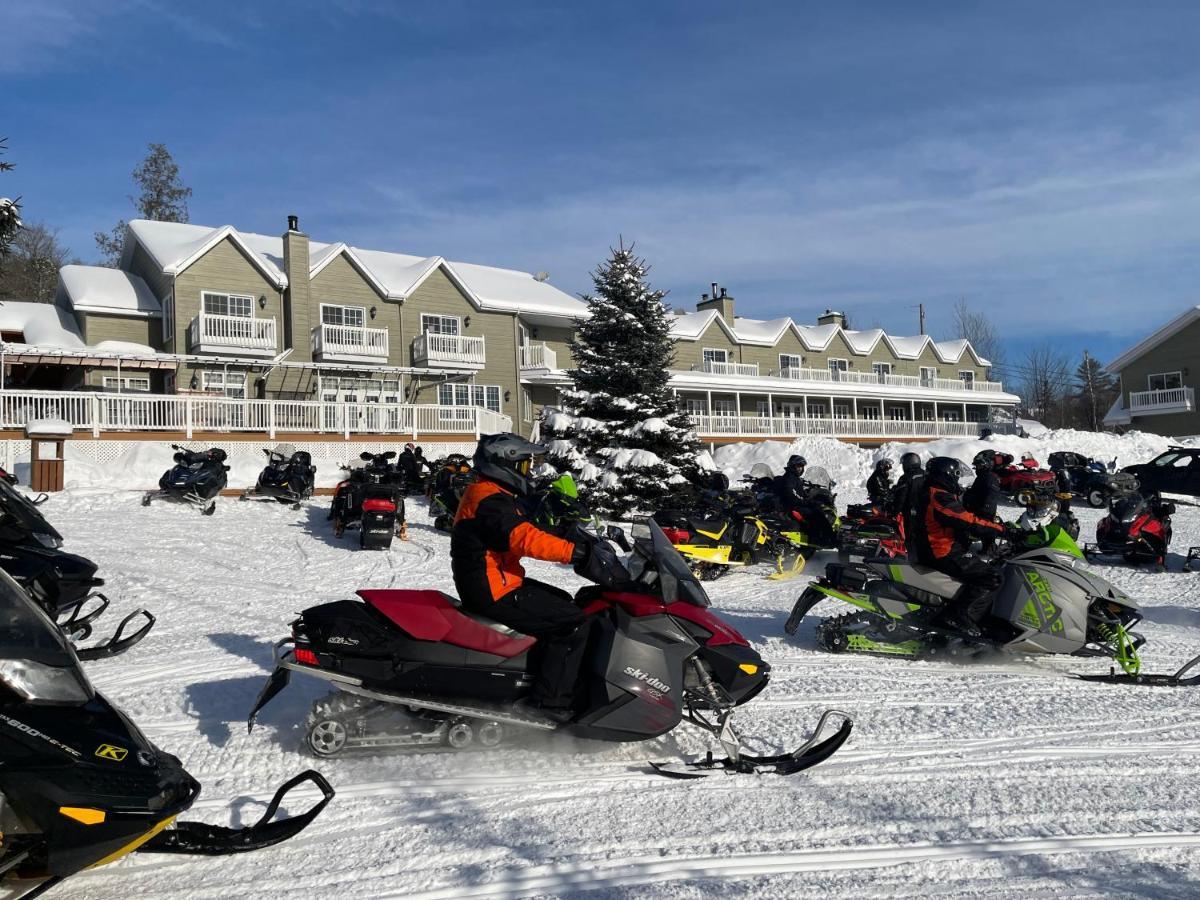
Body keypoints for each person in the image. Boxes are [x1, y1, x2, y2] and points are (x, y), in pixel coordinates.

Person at [452, 433, 620, 722]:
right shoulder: (489, 500)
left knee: (567, 601)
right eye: (525, 466)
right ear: (505, 464)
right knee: (572, 624)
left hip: (498, 582)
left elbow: (524, 527)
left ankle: (543, 676)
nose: (528, 472)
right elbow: (522, 538)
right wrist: (573, 553)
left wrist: (567, 533)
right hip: (492, 590)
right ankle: (548, 703)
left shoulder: (491, 494)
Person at [908, 457, 1005, 637]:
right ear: (946, 475)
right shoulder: (938, 495)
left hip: (936, 548)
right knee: (992, 576)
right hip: (942, 552)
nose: (957, 480)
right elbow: (964, 519)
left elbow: (957, 521)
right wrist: (1000, 530)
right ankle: (959, 615)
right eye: (956, 475)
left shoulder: (932, 492)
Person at [963, 450, 1003, 552]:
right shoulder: (983, 477)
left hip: (983, 512)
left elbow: (991, 495)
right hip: (978, 508)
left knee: (973, 527)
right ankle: (986, 546)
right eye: (976, 466)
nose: (977, 469)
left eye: (979, 466)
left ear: (986, 466)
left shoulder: (989, 477)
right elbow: (977, 490)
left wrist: (984, 509)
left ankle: (989, 547)